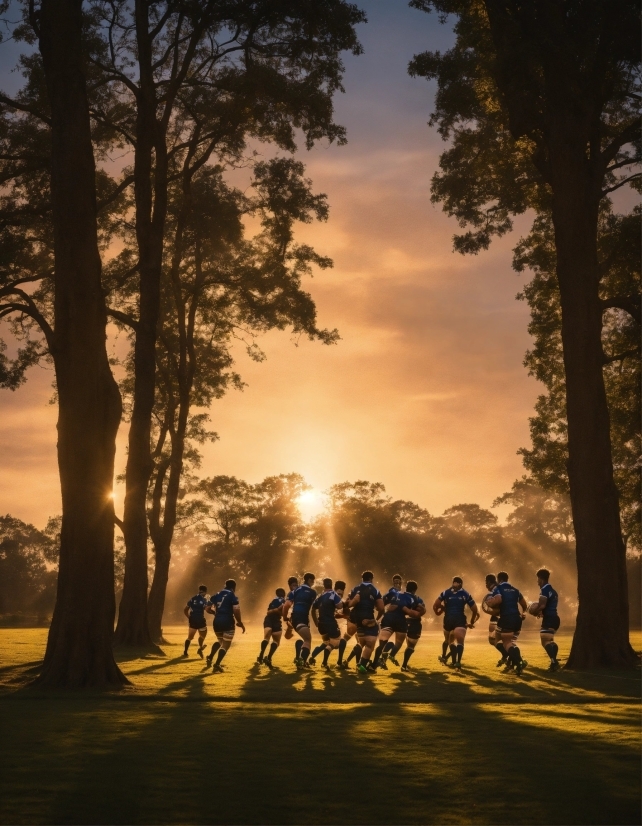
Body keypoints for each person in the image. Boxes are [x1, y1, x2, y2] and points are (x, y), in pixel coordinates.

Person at [486, 571, 529, 675]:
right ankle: (513, 665)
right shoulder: (515, 590)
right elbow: (524, 604)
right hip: (517, 619)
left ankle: (519, 662)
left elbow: (498, 600)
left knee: (504, 643)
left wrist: (489, 602)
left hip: (507, 618)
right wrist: (524, 613)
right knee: (511, 643)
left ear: (499, 580)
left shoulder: (498, 588)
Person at [433, 576, 479, 671]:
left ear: (453, 583)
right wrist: (471, 622)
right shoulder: (465, 593)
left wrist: (440, 611)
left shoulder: (445, 592)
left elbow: (435, 605)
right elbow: (475, 610)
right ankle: (457, 662)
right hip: (459, 619)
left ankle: (445, 657)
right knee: (459, 642)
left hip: (448, 619)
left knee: (449, 641)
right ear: (461, 584)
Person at [347, 571, 385, 673]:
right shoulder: (374, 590)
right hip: (367, 616)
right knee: (370, 644)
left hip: (356, 618)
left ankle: (350, 661)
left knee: (361, 641)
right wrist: (376, 619)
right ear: (371, 579)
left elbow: (347, 603)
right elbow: (381, 608)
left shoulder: (355, 589)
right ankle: (362, 665)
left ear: (362, 578)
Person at [205, 579, 245, 672]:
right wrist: (240, 622)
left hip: (217, 621)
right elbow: (236, 610)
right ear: (233, 587)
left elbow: (207, 608)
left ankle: (210, 657)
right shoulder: (232, 596)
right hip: (227, 621)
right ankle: (217, 664)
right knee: (225, 644)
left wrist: (214, 613)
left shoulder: (216, 595)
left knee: (220, 641)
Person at [373, 576, 410, 669]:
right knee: (394, 642)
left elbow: (380, 606)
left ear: (401, 582)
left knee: (386, 643)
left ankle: (378, 662)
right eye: (395, 581)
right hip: (394, 619)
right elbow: (380, 606)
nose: (397, 583)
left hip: (390, 619)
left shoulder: (403, 593)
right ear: (393, 582)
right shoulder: (392, 592)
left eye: (398, 581)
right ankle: (381, 660)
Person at [282, 572, 317, 667]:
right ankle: (301, 662)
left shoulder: (295, 590)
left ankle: (299, 658)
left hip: (297, 618)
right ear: (310, 580)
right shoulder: (313, 592)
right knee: (308, 639)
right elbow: (315, 607)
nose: (313, 582)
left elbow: (286, 606)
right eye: (313, 580)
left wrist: (285, 617)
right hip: (301, 617)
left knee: (302, 640)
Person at [310, 579, 346, 667]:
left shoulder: (320, 596)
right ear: (332, 585)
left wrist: (316, 622)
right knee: (338, 642)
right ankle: (329, 663)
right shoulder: (334, 594)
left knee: (326, 643)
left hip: (321, 625)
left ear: (324, 585)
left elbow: (313, 609)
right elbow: (339, 606)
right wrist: (344, 604)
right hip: (330, 622)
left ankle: (312, 657)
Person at [533, 568, 561, 671]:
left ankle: (554, 662)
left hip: (549, 619)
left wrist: (535, 611)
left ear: (541, 579)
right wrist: (541, 612)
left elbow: (542, 605)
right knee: (550, 641)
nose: (537, 582)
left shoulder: (544, 590)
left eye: (537, 579)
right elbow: (548, 606)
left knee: (544, 641)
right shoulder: (553, 591)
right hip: (555, 618)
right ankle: (554, 662)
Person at [481, 573, 507, 665]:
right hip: (503, 617)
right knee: (502, 641)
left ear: (488, 582)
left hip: (498, 618)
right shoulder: (500, 588)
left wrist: (489, 607)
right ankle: (508, 658)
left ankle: (506, 656)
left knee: (493, 640)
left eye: (485, 582)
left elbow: (497, 607)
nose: (485, 585)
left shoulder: (496, 590)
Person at [258, 588, 286, 668]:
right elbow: (280, 612)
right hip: (276, 620)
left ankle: (261, 655)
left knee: (266, 638)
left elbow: (269, 611)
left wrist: (274, 610)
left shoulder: (273, 600)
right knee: (276, 641)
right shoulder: (284, 601)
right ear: (284, 594)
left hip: (268, 619)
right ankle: (269, 658)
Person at [401, 581, 426, 671]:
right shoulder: (417, 599)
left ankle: (405, 664)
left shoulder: (401, 596)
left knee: (408, 645)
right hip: (414, 623)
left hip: (403, 622)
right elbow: (421, 611)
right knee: (411, 646)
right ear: (415, 590)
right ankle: (404, 665)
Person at [182, 585, 209, 658]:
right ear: (205, 592)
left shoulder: (192, 599)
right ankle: (200, 648)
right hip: (200, 620)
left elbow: (185, 610)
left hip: (193, 620)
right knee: (203, 635)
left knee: (189, 637)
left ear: (199, 590)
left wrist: (189, 617)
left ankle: (185, 652)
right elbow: (207, 609)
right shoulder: (204, 600)